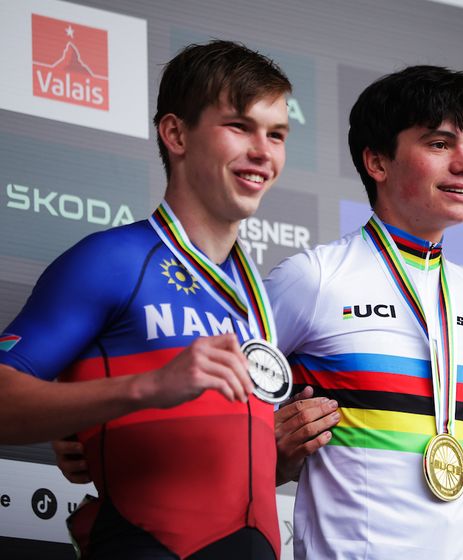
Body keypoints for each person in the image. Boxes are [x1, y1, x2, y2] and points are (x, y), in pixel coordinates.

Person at [0, 40, 294, 559]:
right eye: (239, 127)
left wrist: (283, 453)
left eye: (276, 134)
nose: (263, 152)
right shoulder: (111, 261)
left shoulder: (256, 295)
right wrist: (146, 387)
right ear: (176, 133)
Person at [264, 65, 463, 558]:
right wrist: (270, 448)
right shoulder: (316, 278)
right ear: (377, 162)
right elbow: (210, 402)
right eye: (439, 144)